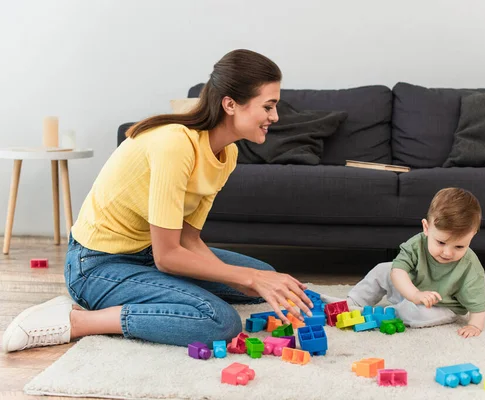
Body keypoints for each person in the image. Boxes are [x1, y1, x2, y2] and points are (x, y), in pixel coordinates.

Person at [2, 49, 314, 354]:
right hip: (96, 264)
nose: (274, 117)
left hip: (147, 253)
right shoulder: (175, 144)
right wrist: (242, 277)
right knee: (220, 321)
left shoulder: (227, 153)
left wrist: (247, 278)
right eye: (268, 106)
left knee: (264, 273)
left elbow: (189, 240)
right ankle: (77, 319)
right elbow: (168, 256)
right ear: (231, 104)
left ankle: (162, 296)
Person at [321, 188, 485, 338]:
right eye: (441, 243)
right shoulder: (416, 244)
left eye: (459, 246)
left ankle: (383, 314)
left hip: (441, 305)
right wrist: (415, 294)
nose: (447, 253)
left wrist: (475, 325)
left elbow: (478, 303)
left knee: (415, 313)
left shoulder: (470, 267)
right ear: (426, 228)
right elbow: (398, 271)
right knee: (383, 269)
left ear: (473, 234)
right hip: (410, 290)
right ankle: (355, 302)